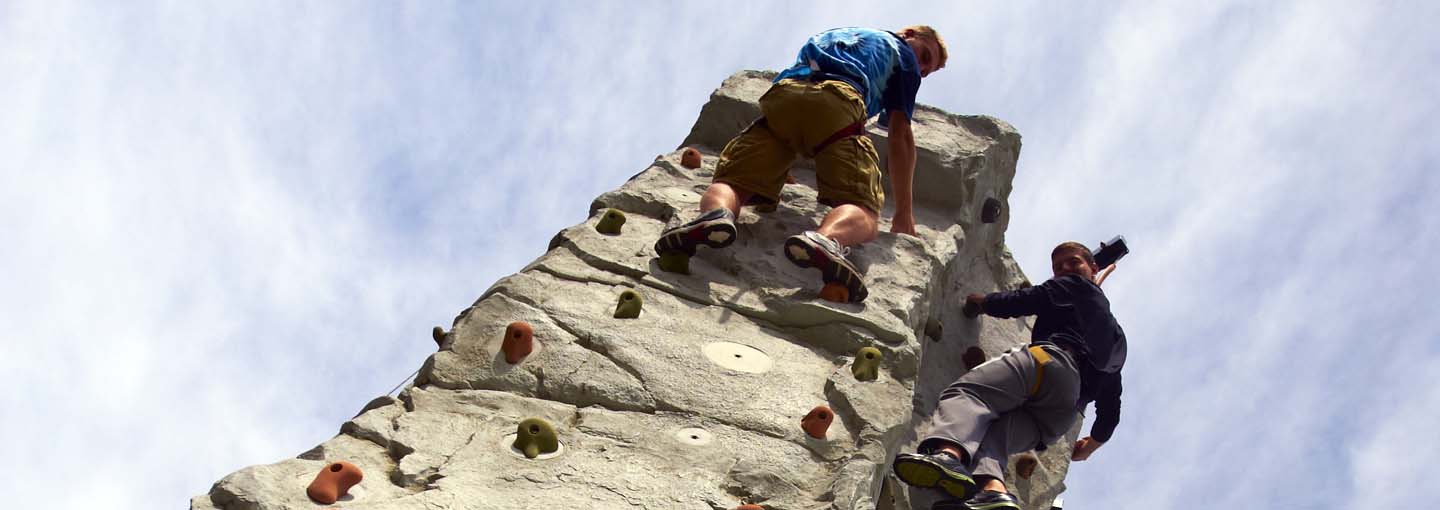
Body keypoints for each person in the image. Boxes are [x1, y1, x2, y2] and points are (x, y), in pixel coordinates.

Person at [652, 26, 947, 303]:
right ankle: (825, 240)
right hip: (840, 100)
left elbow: (807, 105)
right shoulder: (901, 52)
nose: (920, 69)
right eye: (925, 57)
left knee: (733, 183)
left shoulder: (840, 35)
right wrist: (904, 215)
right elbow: (900, 136)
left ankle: (715, 215)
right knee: (865, 212)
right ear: (909, 35)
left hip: (785, 96)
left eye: (926, 70)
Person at [891, 241, 1127, 509]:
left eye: (1073, 262)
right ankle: (993, 491)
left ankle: (948, 454)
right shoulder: (1117, 340)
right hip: (1062, 412)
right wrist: (1091, 445)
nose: (1065, 269)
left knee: (970, 395)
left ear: (1093, 268)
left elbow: (1025, 300)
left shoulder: (1075, 286)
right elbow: (1111, 407)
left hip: (1049, 361)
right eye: (1058, 267)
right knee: (996, 437)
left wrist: (982, 302)